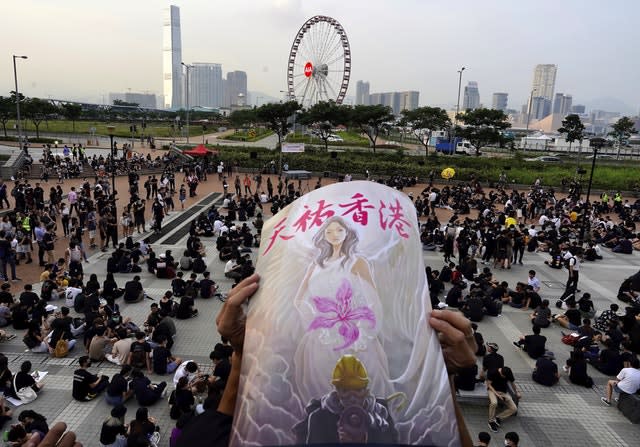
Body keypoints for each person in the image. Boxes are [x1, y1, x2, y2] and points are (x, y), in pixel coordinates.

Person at [292, 216, 390, 403]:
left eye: (339, 230)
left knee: (360, 386)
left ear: (347, 233)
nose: (334, 235)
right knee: (321, 387)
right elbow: (299, 299)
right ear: (323, 236)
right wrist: (315, 320)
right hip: (322, 335)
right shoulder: (317, 264)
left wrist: (364, 330)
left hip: (354, 333)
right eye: (329, 231)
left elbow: (373, 300)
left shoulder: (357, 261)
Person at [486, 366, 520, 433]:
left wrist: (517, 392)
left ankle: (498, 417)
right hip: (492, 391)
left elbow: (512, 383)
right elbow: (489, 385)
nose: (504, 377)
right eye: (503, 376)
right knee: (494, 403)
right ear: (500, 372)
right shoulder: (493, 372)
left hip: (503, 393)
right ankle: (491, 421)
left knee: (514, 408)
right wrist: (498, 395)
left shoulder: (508, 372)